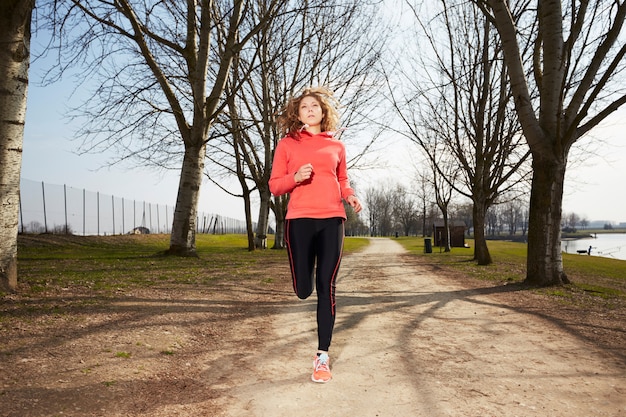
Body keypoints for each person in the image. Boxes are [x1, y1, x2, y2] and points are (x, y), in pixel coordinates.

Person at [269, 87, 362, 383]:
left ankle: (322, 356)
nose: (310, 110)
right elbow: (274, 185)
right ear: (297, 114)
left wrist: (349, 195)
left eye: (315, 106)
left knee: (327, 285)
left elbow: (343, 178)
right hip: (299, 221)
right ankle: (302, 282)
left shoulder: (337, 146)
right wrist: (294, 178)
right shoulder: (287, 144)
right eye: (304, 107)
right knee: (304, 290)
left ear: (323, 112)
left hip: (332, 219)